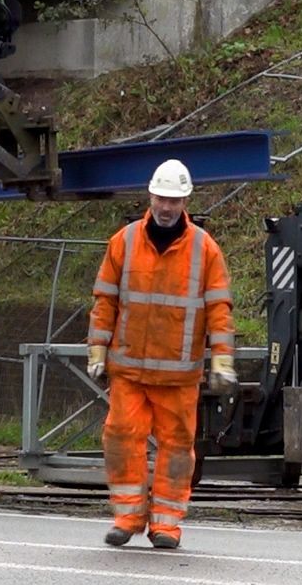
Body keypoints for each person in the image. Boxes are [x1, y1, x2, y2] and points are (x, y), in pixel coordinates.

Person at [87, 159, 236, 550]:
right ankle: (127, 516)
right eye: (160, 198)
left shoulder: (205, 250)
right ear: (149, 195)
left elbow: (219, 308)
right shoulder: (124, 241)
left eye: (174, 200)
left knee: (175, 448)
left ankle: (166, 525)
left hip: (178, 375)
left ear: (185, 200)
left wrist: (222, 357)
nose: (166, 207)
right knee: (121, 439)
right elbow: (105, 301)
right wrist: (97, 349)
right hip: (130, 370)